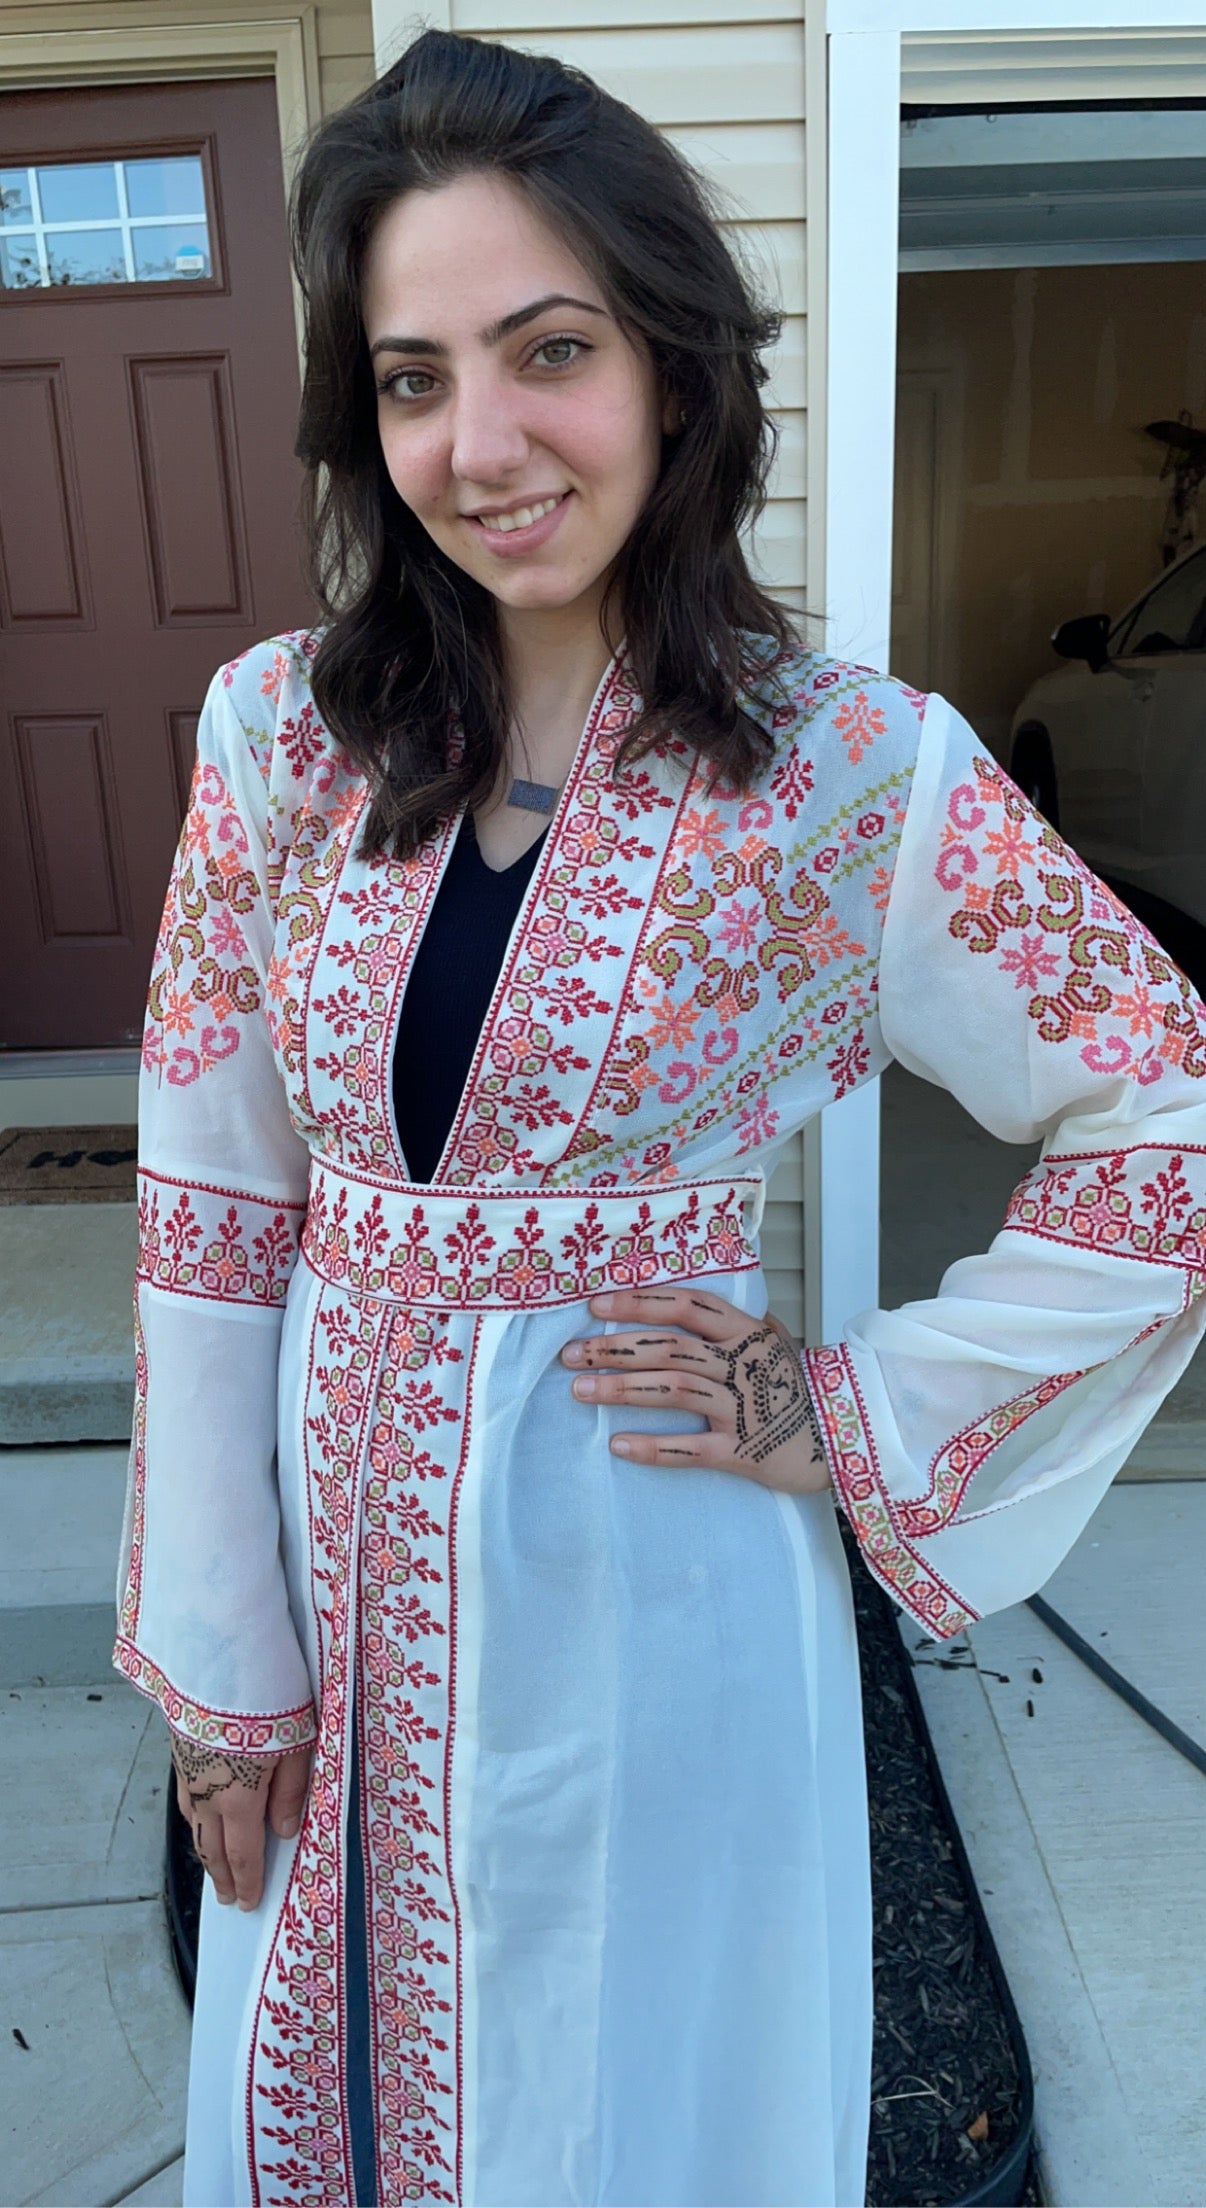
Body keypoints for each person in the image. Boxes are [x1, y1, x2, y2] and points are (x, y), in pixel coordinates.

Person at [113, 28, 1206, 2208]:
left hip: (658, 1590)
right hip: (324, 1565)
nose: (483, 442)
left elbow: (1163, 1107)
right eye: (416, 379)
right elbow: (213, 1203)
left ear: (676, 377)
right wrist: (222, 1659)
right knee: (313, 2094)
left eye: (550, 352)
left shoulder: (846, 777)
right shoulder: (277, 742)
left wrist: (863, 1410)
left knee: (632, 2099)